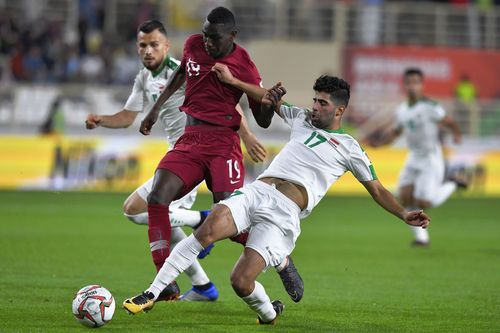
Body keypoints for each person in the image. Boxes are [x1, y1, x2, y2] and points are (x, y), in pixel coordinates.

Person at [122, 72, 431, 324]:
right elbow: (268, 97)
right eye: (314, 100)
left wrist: (404, 214)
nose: (314, 107)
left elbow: (376, 189)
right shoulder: (301, 119)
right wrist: (234, 82)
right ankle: (152, 293)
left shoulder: (349, 148)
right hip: (257, 192)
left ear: (339, 110)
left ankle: (269, 313)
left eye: (322, 103)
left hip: (283, 215)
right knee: (208, 230)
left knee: (240, 281)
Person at [85, 20, 265, 301]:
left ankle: (207, 227)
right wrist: (101, 120)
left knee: (139, 210)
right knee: (146, 213)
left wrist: (247, 135)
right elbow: (127, 117)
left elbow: (225, 104)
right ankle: (204, 286)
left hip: (199, 153)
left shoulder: (187, 65)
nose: (148, 51)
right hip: (180, 153)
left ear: (167, 46)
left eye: (154, 44)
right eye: (142, 45)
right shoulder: (144, 78)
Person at [135, 7, 304, 302]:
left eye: (214, 38)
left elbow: (262, 119)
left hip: (223, 144)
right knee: (157, 198)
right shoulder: (193, 45)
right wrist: (155, 109)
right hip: (190, 139)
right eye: (205, 35)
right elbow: (180, 74)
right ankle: (164, 281)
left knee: (229, 221)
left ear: (232, 36)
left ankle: (281, 259)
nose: (208, 42)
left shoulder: (244, 65)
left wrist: (267, 101)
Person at [368, 68, 463, 247]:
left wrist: (456, 134)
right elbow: (396, 132)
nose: (412, 86)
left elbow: (449, 121)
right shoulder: (402, 109)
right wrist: (380, 143)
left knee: (424, 201)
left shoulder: (430, 106)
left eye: (416, 82)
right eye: (409, 82)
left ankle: (452, 183)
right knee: (405, 197)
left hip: (431, 157)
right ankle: (421, 239)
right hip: (414, 157)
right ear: (404, 85)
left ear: (422, 85)